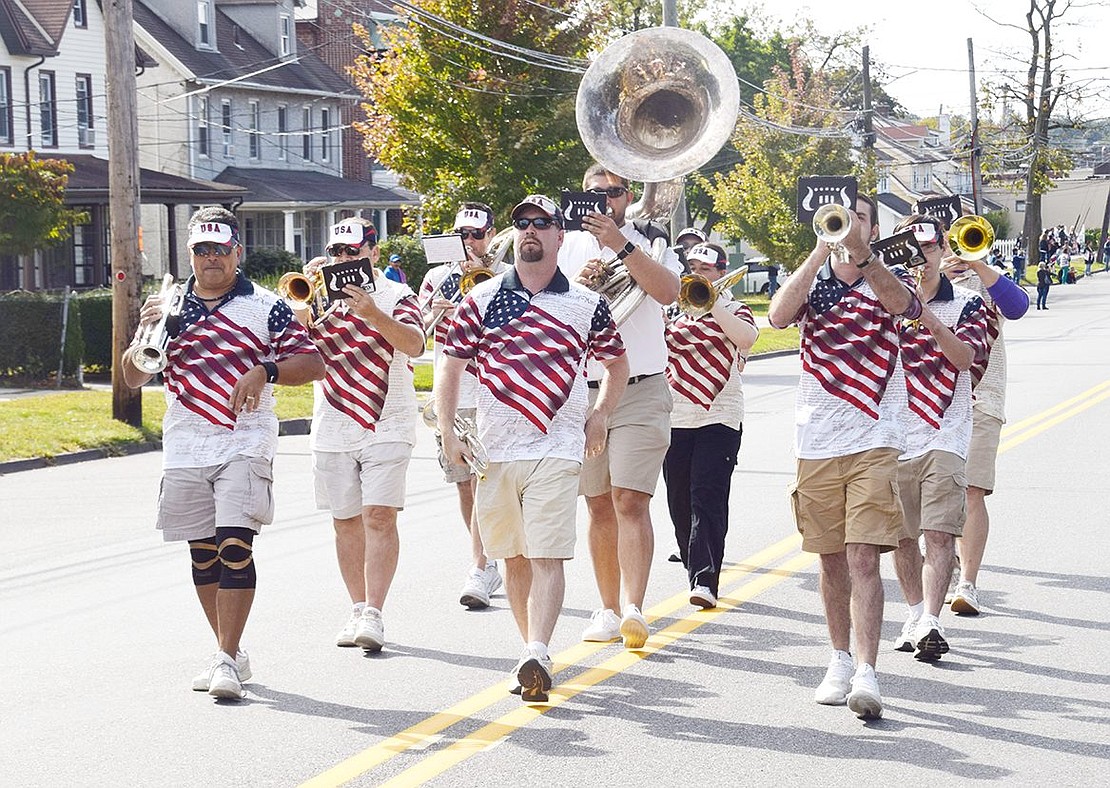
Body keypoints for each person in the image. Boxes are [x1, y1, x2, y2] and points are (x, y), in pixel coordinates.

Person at [122, 206, 325, 700]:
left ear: (237, 251)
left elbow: (313, 362)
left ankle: (224, 659)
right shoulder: (168, 307)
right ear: (190, 254)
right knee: (202, 555)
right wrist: (145, 336)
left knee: (235, 546)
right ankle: (228, 651)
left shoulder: (264, 304)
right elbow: (131, 376)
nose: (211, 258)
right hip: (185, 443)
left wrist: (268, 371)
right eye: (201, 250)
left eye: (220, 249)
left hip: (245, 439)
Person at [437, 194, 629, 703]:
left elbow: (617, 365)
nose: (531, 231)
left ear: (559, 237)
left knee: (545, 553)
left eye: (543, 224)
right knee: (513, 558)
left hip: (558, 445)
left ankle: (540, 650)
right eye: (522, 223)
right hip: (496, 451)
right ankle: (530, 652)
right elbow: (450, 367)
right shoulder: (480, 301)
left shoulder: (586, 304)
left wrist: (600, 415)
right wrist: (449, 430)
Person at [767, 192, 922, 720]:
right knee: (830, 557)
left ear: (873, 227)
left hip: (876, 436)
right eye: (842, 216)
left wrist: (864, 256)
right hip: (816, 441)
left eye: (858, 217)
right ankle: (837, 658)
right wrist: (817, 252)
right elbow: (779, 314)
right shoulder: (814, 278)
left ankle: (868, 670)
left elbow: (905, 307)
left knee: (862, 556)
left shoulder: (886, 275)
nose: (848, 224)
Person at [557, 164, 682, 650]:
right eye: (594, 194)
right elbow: (552, 308)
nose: (603, 201)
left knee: (631, 499)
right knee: (598, 502)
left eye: (612, 193)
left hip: (643, 386)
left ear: (627, 197)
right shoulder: (565, 246)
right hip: (584, 388)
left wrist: (620, 247)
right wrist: (580, 287)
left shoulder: (650, 238)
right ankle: (606, 608)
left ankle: (634, 606)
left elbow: (669, 292)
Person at [297, 218, 425, 653]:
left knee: (379, 516)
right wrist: (301, 311)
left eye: (353, 252)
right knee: (345, 520)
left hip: (388, 419)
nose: (344, 260)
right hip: (332, 422)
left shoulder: (397, 294)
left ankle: (374, 611)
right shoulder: (317, 299)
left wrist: (374, 313)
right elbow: (295, 352)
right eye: (337, 252)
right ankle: (356, 606)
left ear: (372, 252)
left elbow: (414, 345)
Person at [887, 215, 990, 663]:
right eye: (911, 249)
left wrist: (922, 313)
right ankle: (913, 613)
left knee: (938, 532)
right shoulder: (881, 301)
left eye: (928, 249)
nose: (920, 259)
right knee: (903, 537)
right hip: (892, 433)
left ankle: (932, 619)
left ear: (942, 250)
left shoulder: (968, 303)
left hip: (945, 430)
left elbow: (964, 357)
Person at [417, 202, 504, 609]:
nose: (469, 242)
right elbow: (417, 335)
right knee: (464, 486)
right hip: (450, 396)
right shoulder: (436, 277)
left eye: (477, 234)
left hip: (488, 395)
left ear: (490, 235)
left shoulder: (503, 277)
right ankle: (485, 560)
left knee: (482, 481)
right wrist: (434, 312)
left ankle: (481, 564)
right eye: (462, 235)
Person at [662, 243, 758, 609]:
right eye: (693, 266)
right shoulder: (675, 311)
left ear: (721, 271)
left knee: (708, 497)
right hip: (676, 415)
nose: (697, 272)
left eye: (706, 268)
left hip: (721, 416)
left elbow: (746, 339)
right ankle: (693, 563)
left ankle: (705, 580)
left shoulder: (736, 308)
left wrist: (711, 299)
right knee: (678, 501)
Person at [944, 229, 1030, 616]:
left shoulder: (985, 280)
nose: (945, 250)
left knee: (972, 491)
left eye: (950, 242)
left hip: (981, 398)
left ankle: (967, 583)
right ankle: (944, 566)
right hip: (927, 403)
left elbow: (1017, 306)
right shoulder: (916, 282)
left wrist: (977, 263)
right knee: (929, 495)